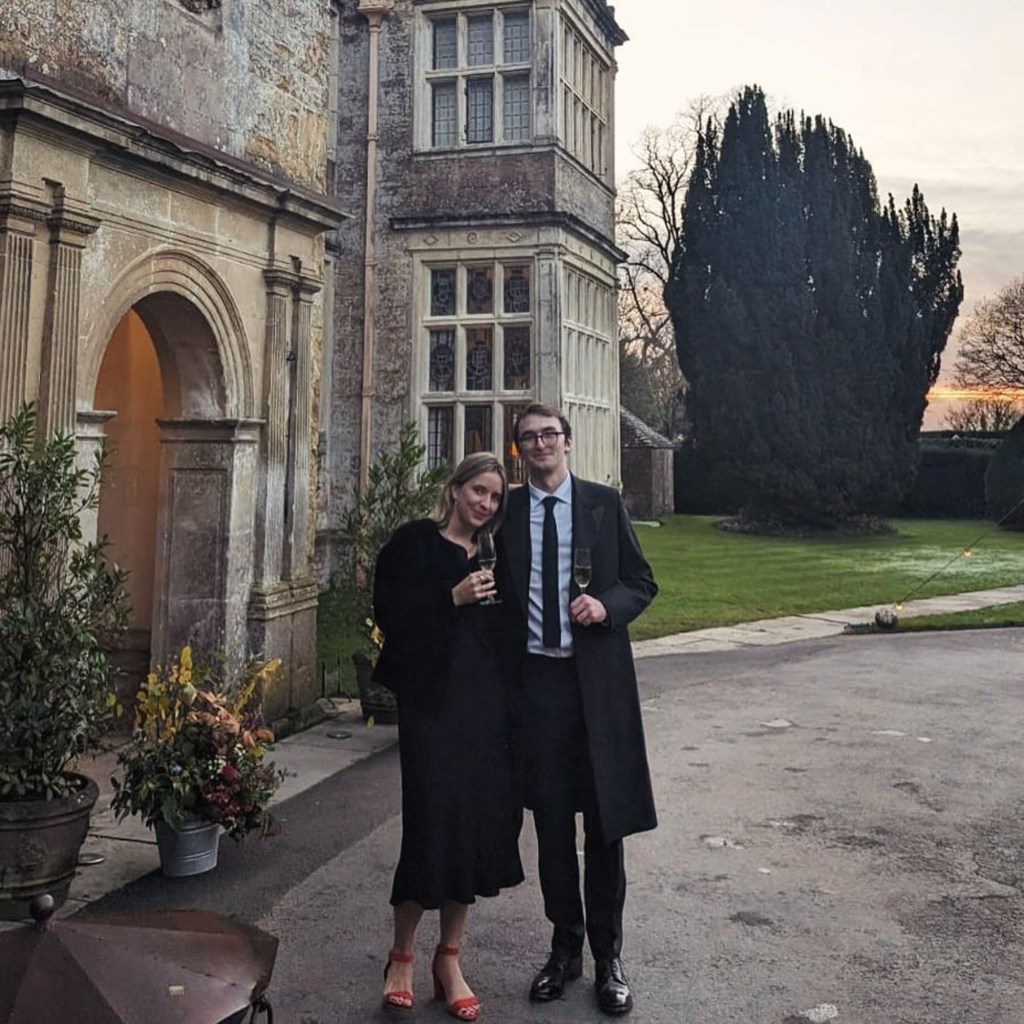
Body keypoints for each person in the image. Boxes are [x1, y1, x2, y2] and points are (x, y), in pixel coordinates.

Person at [496, 403, 658, 1017]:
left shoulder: (601, 502)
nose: (540, 444)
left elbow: (642, 581)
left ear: (568, 442)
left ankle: (607, 957)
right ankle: (563, 950)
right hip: (536, 690)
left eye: (549, 434)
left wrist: (605, 608)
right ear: (520, 449)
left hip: (596, 690)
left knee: (605, 827)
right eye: (529, 437)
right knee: (553, 828)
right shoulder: (506, 513)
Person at [372, 452, 524, 1021]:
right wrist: (450, 597)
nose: (485, 504)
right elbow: (389, 612)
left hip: (485, 709)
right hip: (432, 706)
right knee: (430, 823)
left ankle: (450, 959)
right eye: (478, 491)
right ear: (455, 488)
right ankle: (402, 956)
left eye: (494, 498)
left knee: (473, 830)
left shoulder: (496, 551)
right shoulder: (414, 542)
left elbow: (509, 629)